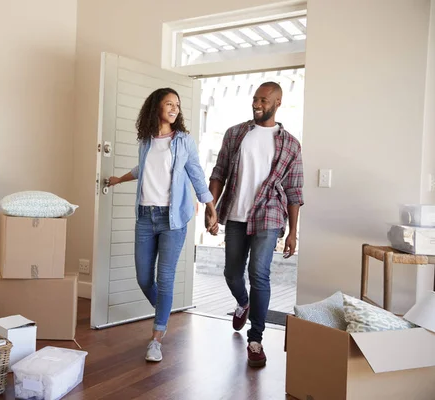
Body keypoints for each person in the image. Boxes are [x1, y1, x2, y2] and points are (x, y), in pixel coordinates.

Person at [108, 87, 217, 362]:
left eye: (177, 105)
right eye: (169, 103)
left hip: (173, 218)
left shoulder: (183, 141)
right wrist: (118, 180)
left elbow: (196, 173)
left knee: (164, 278)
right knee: (144, 278)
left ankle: (156, 338)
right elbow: (142, 169)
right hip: (145, 216)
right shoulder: (146, 140)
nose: (174, 108)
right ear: (156, 106)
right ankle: (164, 313)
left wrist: (210, 206)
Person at [205, 81, 304, 368]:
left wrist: (293, 233)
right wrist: (211, 208)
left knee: (259, 272)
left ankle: (256, 338)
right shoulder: (236, 133)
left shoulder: (291, 144)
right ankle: (243, 302)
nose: (257, 104)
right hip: (235, 213)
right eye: (255, 99)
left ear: (277, 103)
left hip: (270, 214)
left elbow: (295, 191)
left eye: (264, 100)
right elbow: (219, 172)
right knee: (232, 273)